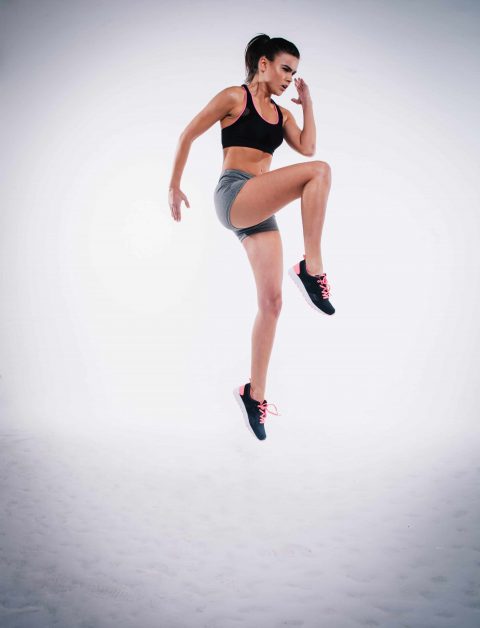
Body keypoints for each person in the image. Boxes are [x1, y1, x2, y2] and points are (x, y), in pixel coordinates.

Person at [168, 34, 335, 441]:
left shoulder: (281, 115)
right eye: (284, 69)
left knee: (272, 302)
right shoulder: (234, 97)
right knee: (319, 171)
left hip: (259, 209)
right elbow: (187, 134)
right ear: (263, 64)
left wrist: (307, 104)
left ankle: (253, 393)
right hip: (234, 193)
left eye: (294, 73)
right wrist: (174, 185)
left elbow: (307, 145)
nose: (288, 79)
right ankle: (312, 269)